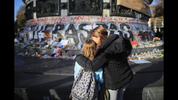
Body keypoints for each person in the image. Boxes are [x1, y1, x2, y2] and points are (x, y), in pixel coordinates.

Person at [75, 26, 133, 100]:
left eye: (94, 38)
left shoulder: (106, 51)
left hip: (114, 83)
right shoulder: (117, 41)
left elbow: (92, 66)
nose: (93, 40)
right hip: (126, 76)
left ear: (98, 37)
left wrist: (78, 57)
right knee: (121, 97)